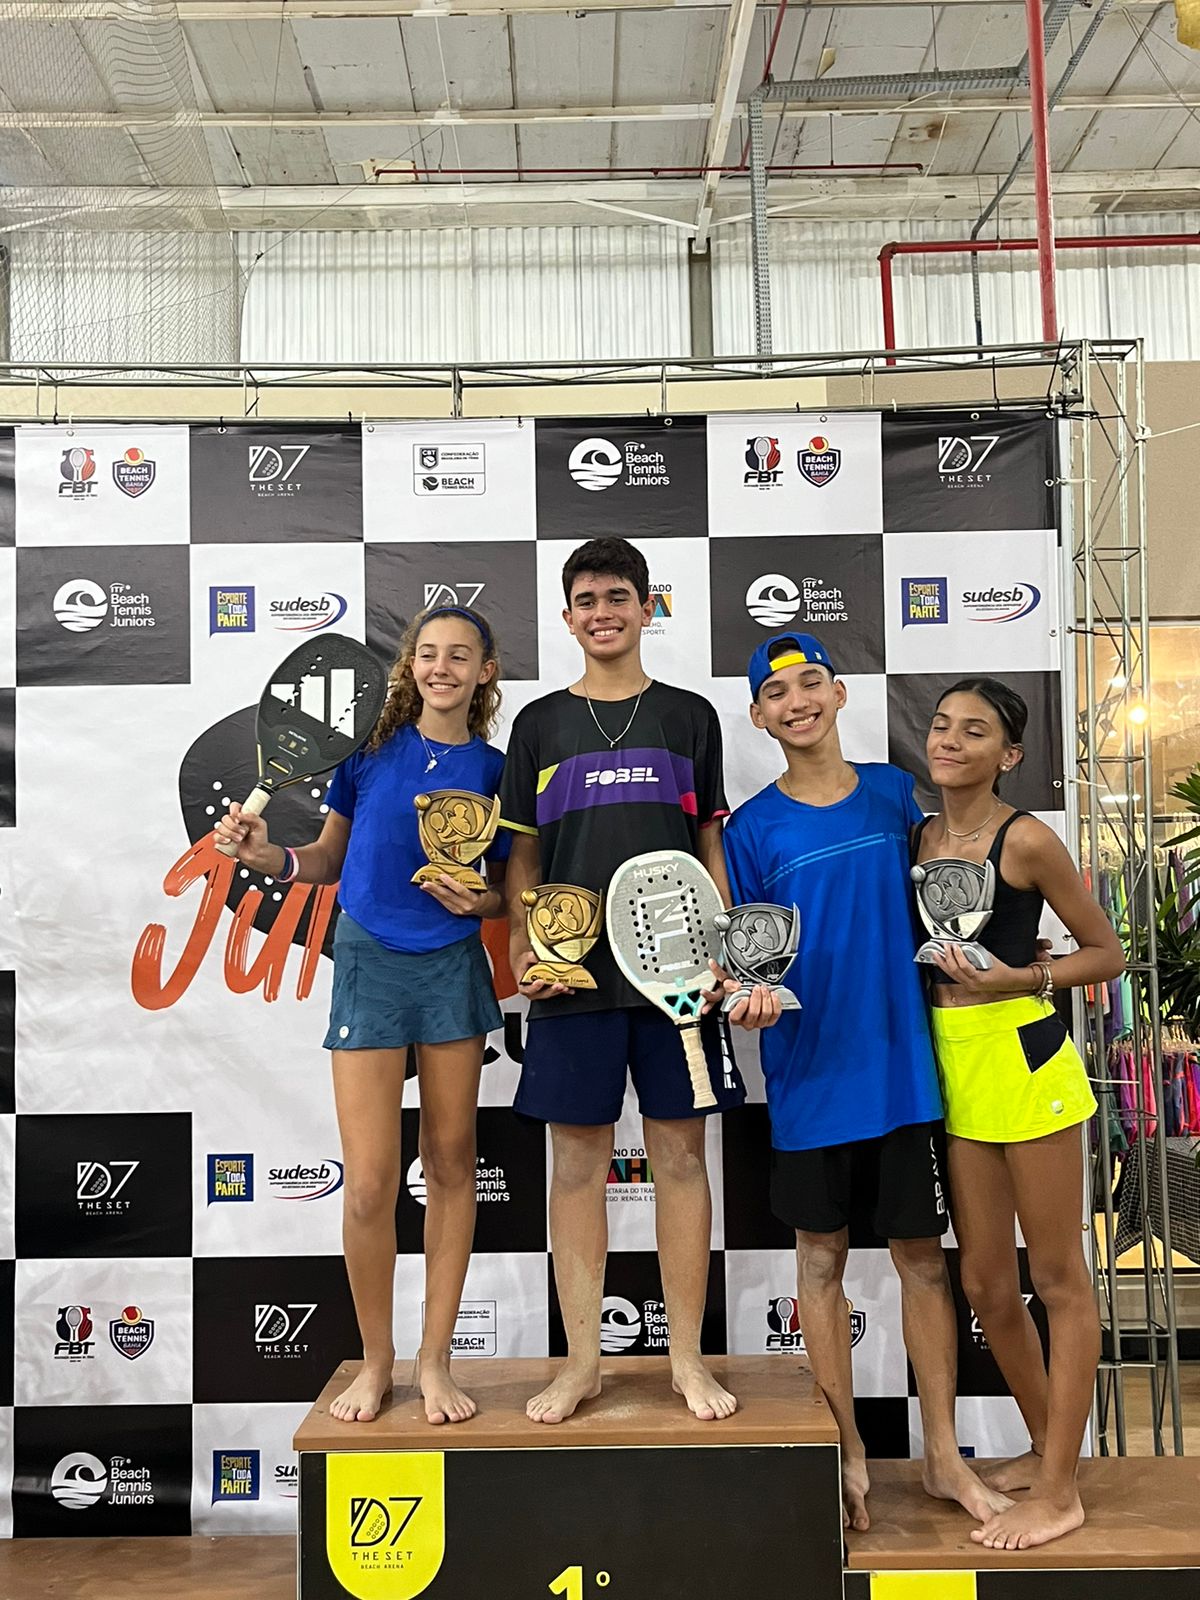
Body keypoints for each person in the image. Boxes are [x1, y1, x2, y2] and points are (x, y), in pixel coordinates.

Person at [720, 632, 1011, 1532]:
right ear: (760, 716)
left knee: (925, 1265)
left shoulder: (895, 794)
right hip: (808, 1080)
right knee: (819, 1264)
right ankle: (844, 1452)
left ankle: (942, 1458)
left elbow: (957, 895)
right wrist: (744, 996)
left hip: (904, 1078)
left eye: (812, 682)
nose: (798, 700)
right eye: (779, 693)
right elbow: (743, 957)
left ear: (841, 694)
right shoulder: (752, 827)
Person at [215, 606, 509, 1426]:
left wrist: (477, 899)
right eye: (428, 654)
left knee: (452, 1163)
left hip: (451, 964)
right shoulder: (368, 756)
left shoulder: (496, 769)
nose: (441, 667)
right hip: (370, 963)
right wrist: (266, 855)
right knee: (372, 1181)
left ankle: (435, 1360)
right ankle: (378, 1363)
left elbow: (505, 894)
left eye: (460, 656)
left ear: (486, 671)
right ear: (409, 667)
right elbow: (324, 862)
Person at [500, 536, 746, 1425]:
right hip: (573, 986)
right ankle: (581, 1366)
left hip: (679, 979)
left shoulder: (689, 716)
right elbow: (522, 854)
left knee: (682, 1159)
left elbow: (710, 841)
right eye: (586, 599)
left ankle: (687, 1358)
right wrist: (530, 947)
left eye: (618, 596)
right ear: (567, 617)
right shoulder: (537, 725)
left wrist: (724, 948)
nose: (602, 612)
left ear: (649, 607)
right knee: (575, 1168)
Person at [915, 677, 1124, 1551]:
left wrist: (1025, 977)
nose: (951, 740)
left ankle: (1063, 1491)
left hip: (1026, 1054)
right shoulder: (919, 834)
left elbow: (1106, 953)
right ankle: (1048, 1453)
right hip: (952, 1059)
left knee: (1059, 1282)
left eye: (976, 731)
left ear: (1009, 755)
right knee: (985, 1287)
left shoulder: (1028, 838)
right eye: (941, 725)